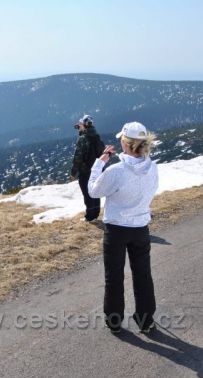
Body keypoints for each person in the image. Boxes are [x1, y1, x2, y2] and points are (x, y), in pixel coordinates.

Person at [88, 122, 159, 334]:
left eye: (121, 139)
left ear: (126, 143)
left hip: (117, 230)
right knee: (143, 274)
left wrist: (99, 164)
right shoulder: (153, 167)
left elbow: (93, 191)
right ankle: (146, 320)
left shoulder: (116, 171)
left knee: (114, 275)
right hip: (140, 227)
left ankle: (114, 320)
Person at [70, 115, 105, 222]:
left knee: (87, 193)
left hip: (85, 170)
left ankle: (90, 216)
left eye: (80, 125)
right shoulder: (96, 137)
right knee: (95, 191)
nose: (78, 127)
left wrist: (73, 173)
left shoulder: (82, 139)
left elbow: (78, 157)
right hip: (97, 170)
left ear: (84, 125)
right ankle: (95, 214)